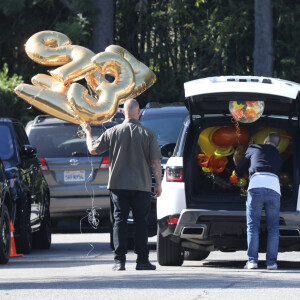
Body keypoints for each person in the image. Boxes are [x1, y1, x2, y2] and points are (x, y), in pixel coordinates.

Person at [82, 98, 162, 271]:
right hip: (141, 185)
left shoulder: (114, 132)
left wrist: (88, 132)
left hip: (118, 185)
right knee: (141, 222)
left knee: (120, 221)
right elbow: (155, 162)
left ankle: (119, 261)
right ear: (138, 112)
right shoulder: (148, 134)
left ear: (124, 113)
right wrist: (158, 183)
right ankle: (142, 261)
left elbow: (93, 149)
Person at [235, 132, 282, 270]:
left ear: (265, 141)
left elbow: (239, 169)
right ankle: (271, 263)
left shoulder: (254, 148)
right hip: (274, 188)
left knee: (253, 227)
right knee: (273, 229)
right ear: (277, 146)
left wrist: (240, 174)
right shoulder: (278, 155)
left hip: (256, 187)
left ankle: (252, 261)